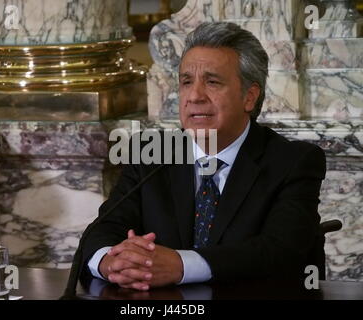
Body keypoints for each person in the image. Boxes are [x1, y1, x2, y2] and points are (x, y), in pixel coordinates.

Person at [79, 22, 326, 291]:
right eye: (186, 82)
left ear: (249, 97)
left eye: (212, 82)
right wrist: (110, 263)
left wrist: (181, 265)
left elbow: (281, 252)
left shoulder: (292, 162)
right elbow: (102, 231)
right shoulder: (151, 154)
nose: (194, 96)